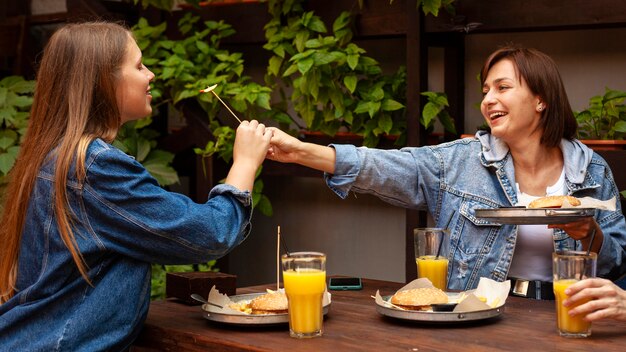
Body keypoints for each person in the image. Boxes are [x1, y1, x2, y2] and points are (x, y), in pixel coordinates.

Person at [266, 45, 626, 299]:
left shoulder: (590, 170)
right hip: (479, 315)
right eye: (485, 90)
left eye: (503, 88)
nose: (487, 99)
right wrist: (298, 151)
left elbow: (615, 263)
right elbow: (380, 166)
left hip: (564, 314)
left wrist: (588, 233)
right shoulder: (457, 162)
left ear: (540, 99)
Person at [0, 22, 272, 350]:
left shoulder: (51, 158)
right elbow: (210, 233)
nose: (151, 74)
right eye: (139, 65)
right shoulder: (94, 167)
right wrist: (245, 163)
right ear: (103, 80)